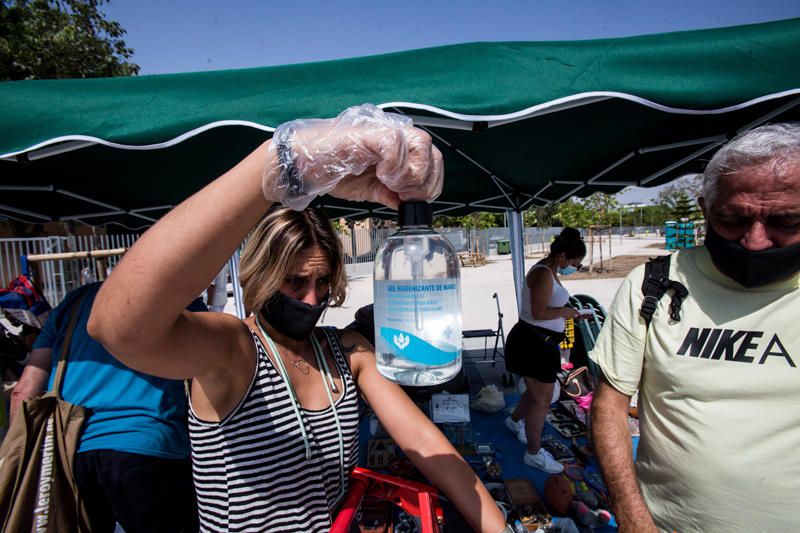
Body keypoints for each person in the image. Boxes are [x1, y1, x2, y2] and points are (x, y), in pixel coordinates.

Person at [88, 105, 510, 533]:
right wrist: (279, 163)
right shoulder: (233, 352)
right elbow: (119, 329)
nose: (312, 299)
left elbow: (425, 443)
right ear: (262, 276)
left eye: (323, 280)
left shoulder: (345, 353)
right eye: (294, 282)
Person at [589, 122, 800, 532]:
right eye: (733, 219)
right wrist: (633, 518)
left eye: (785, 221)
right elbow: (610, 406)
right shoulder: (653, 283)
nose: (755, 240)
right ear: (705, 210)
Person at [10, 282, 204, 533]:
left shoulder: (73, 302)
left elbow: (24, 390)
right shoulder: (180, 298)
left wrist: (24, 460)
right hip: (150, 445)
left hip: (74, 452)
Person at [503, 228, 586, 474]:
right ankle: (533, 453)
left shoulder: (549, 270)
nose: (574, 269)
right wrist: (566, 312)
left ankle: (515, 420)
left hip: (541, 342)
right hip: (533, 343)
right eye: (575, 265)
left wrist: (567, 311)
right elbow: (539, 313)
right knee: (542, 399)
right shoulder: (542, 274)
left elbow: (546, 307)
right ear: (562, 257)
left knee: (536, 392)